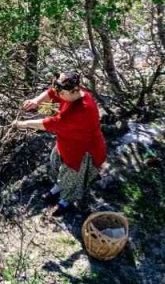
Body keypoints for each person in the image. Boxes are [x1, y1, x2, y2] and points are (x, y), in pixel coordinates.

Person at [14, 71, 107, 217]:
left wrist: (23, 124)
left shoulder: (82, 110)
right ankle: (58, 186)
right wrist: (36, 101)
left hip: (82, 150)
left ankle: (66, 201)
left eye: (60, 92)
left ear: (72, 91)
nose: (58, 94)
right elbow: (52, 92)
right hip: (66, 142)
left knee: (73, 177)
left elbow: (49, 123)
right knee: (57, 164)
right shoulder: (72, 92)